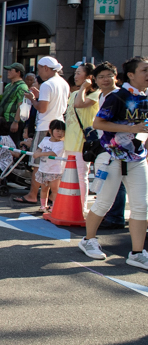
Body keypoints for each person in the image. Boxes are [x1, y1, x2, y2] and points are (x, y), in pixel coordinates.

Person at [77, 56, 148, 269]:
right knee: (104, 202)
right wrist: (130, 129)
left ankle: (137, 253)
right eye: (145, 70)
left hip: (137, 158)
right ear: (132, 75)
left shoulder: (145, 96)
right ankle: (88, 240)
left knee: (141, 206)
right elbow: (98, 122)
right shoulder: (117, 97)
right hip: (110, 157)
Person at [13, 57, 70, 206]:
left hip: (45, 127)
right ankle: (52, 196)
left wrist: (32, 99)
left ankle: (32, 195)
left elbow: (42, 108)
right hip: (60, 125)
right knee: (55, 164)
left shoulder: (47, 84)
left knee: (38, 163)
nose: (39, 73)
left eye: (39, 69)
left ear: (45, 68)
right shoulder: (64, 83)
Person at [65, 63, 100, 211]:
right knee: (68, 176)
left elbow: (79, 104)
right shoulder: (74, 93)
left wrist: (84, 88)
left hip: (83, 142)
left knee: (81, 176)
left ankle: (81, 207)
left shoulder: (95, 94)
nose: (76, 76)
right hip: (69, 140)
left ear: (89, 77)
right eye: (76, 73)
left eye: (79, 73)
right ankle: (68, 205)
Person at [33, 119, 66, 212]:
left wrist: (40, 154)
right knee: (43, 189)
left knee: (55, 189)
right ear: (51, 130)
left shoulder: (61, 143)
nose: (60, 133)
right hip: (43, 169)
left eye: (63, 131)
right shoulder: (45, 140)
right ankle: (43, 206)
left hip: (55, 170)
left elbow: (54, 153)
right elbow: (39, 148)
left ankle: (54, 207)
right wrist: (37, 152)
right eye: (58, 130)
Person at [0, 63, 29, 135]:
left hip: (13, 120)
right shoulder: (8, 85)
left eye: (11, 70)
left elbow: (21, 105)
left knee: (12, 143)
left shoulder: (22, 87)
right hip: (4, 119)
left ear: (18, 72)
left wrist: (16, 122)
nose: (8, 72)